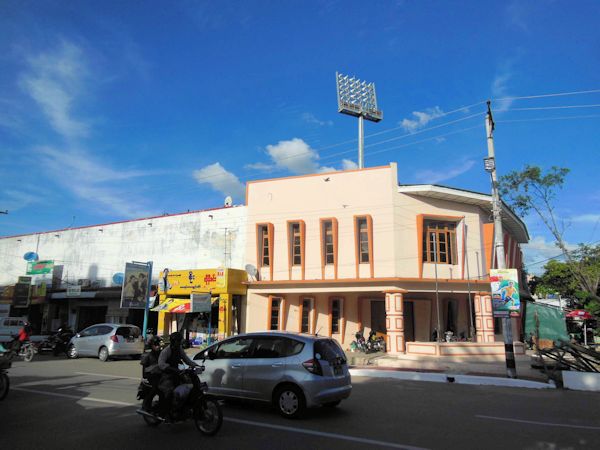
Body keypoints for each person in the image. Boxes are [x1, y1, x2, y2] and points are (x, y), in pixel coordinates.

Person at [157, 332, 198, 419]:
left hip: (177, 373)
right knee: (170, 391)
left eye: (180, 341)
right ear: (173, 341)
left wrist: (196, 365)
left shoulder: (179, 349)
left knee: (187, 387)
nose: (179, 342)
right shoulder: (166, 351)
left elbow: (187, 360)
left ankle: (181, 408)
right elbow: (161, 364)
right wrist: (171, 369)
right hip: (167, 375)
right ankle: (166, 413)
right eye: (178, 341)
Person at [140, 336, 163, 412]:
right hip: (151, 377)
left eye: (158, 344)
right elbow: (144, 371)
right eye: (155, 344)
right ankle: (147, 405)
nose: (158, 346)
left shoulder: (162, 354)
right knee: (156, 388)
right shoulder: (148, 356)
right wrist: (148, 376)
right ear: (151, 345)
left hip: (161, 375)